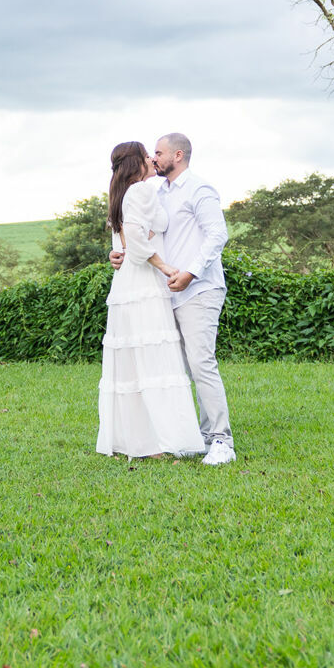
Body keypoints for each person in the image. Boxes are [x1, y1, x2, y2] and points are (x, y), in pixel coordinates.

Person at [110, 132, 236, 466]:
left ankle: (221, 441)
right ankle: (193, 434)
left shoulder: (199, 189)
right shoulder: (156, 191)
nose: (153, 158)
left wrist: (191, 273)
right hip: (165, 291)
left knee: (201, 362)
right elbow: (138, 228)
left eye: (159, 152)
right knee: (179, 368)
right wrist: (119, 251)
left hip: (199, 288)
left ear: (177, 155)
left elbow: (217, 235)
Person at [96, 141, 206, 461]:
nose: (151, 158)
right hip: (143, 282)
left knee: (133, 362)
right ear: (136, 163)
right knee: (154, 358)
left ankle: (135, 440)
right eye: (147, 154)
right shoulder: (140, 191)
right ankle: (156, 442)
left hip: (125, 284)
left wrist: (122, 253)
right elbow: (138, 244)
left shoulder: (121, 194)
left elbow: (124, 242)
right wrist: (167, 267)